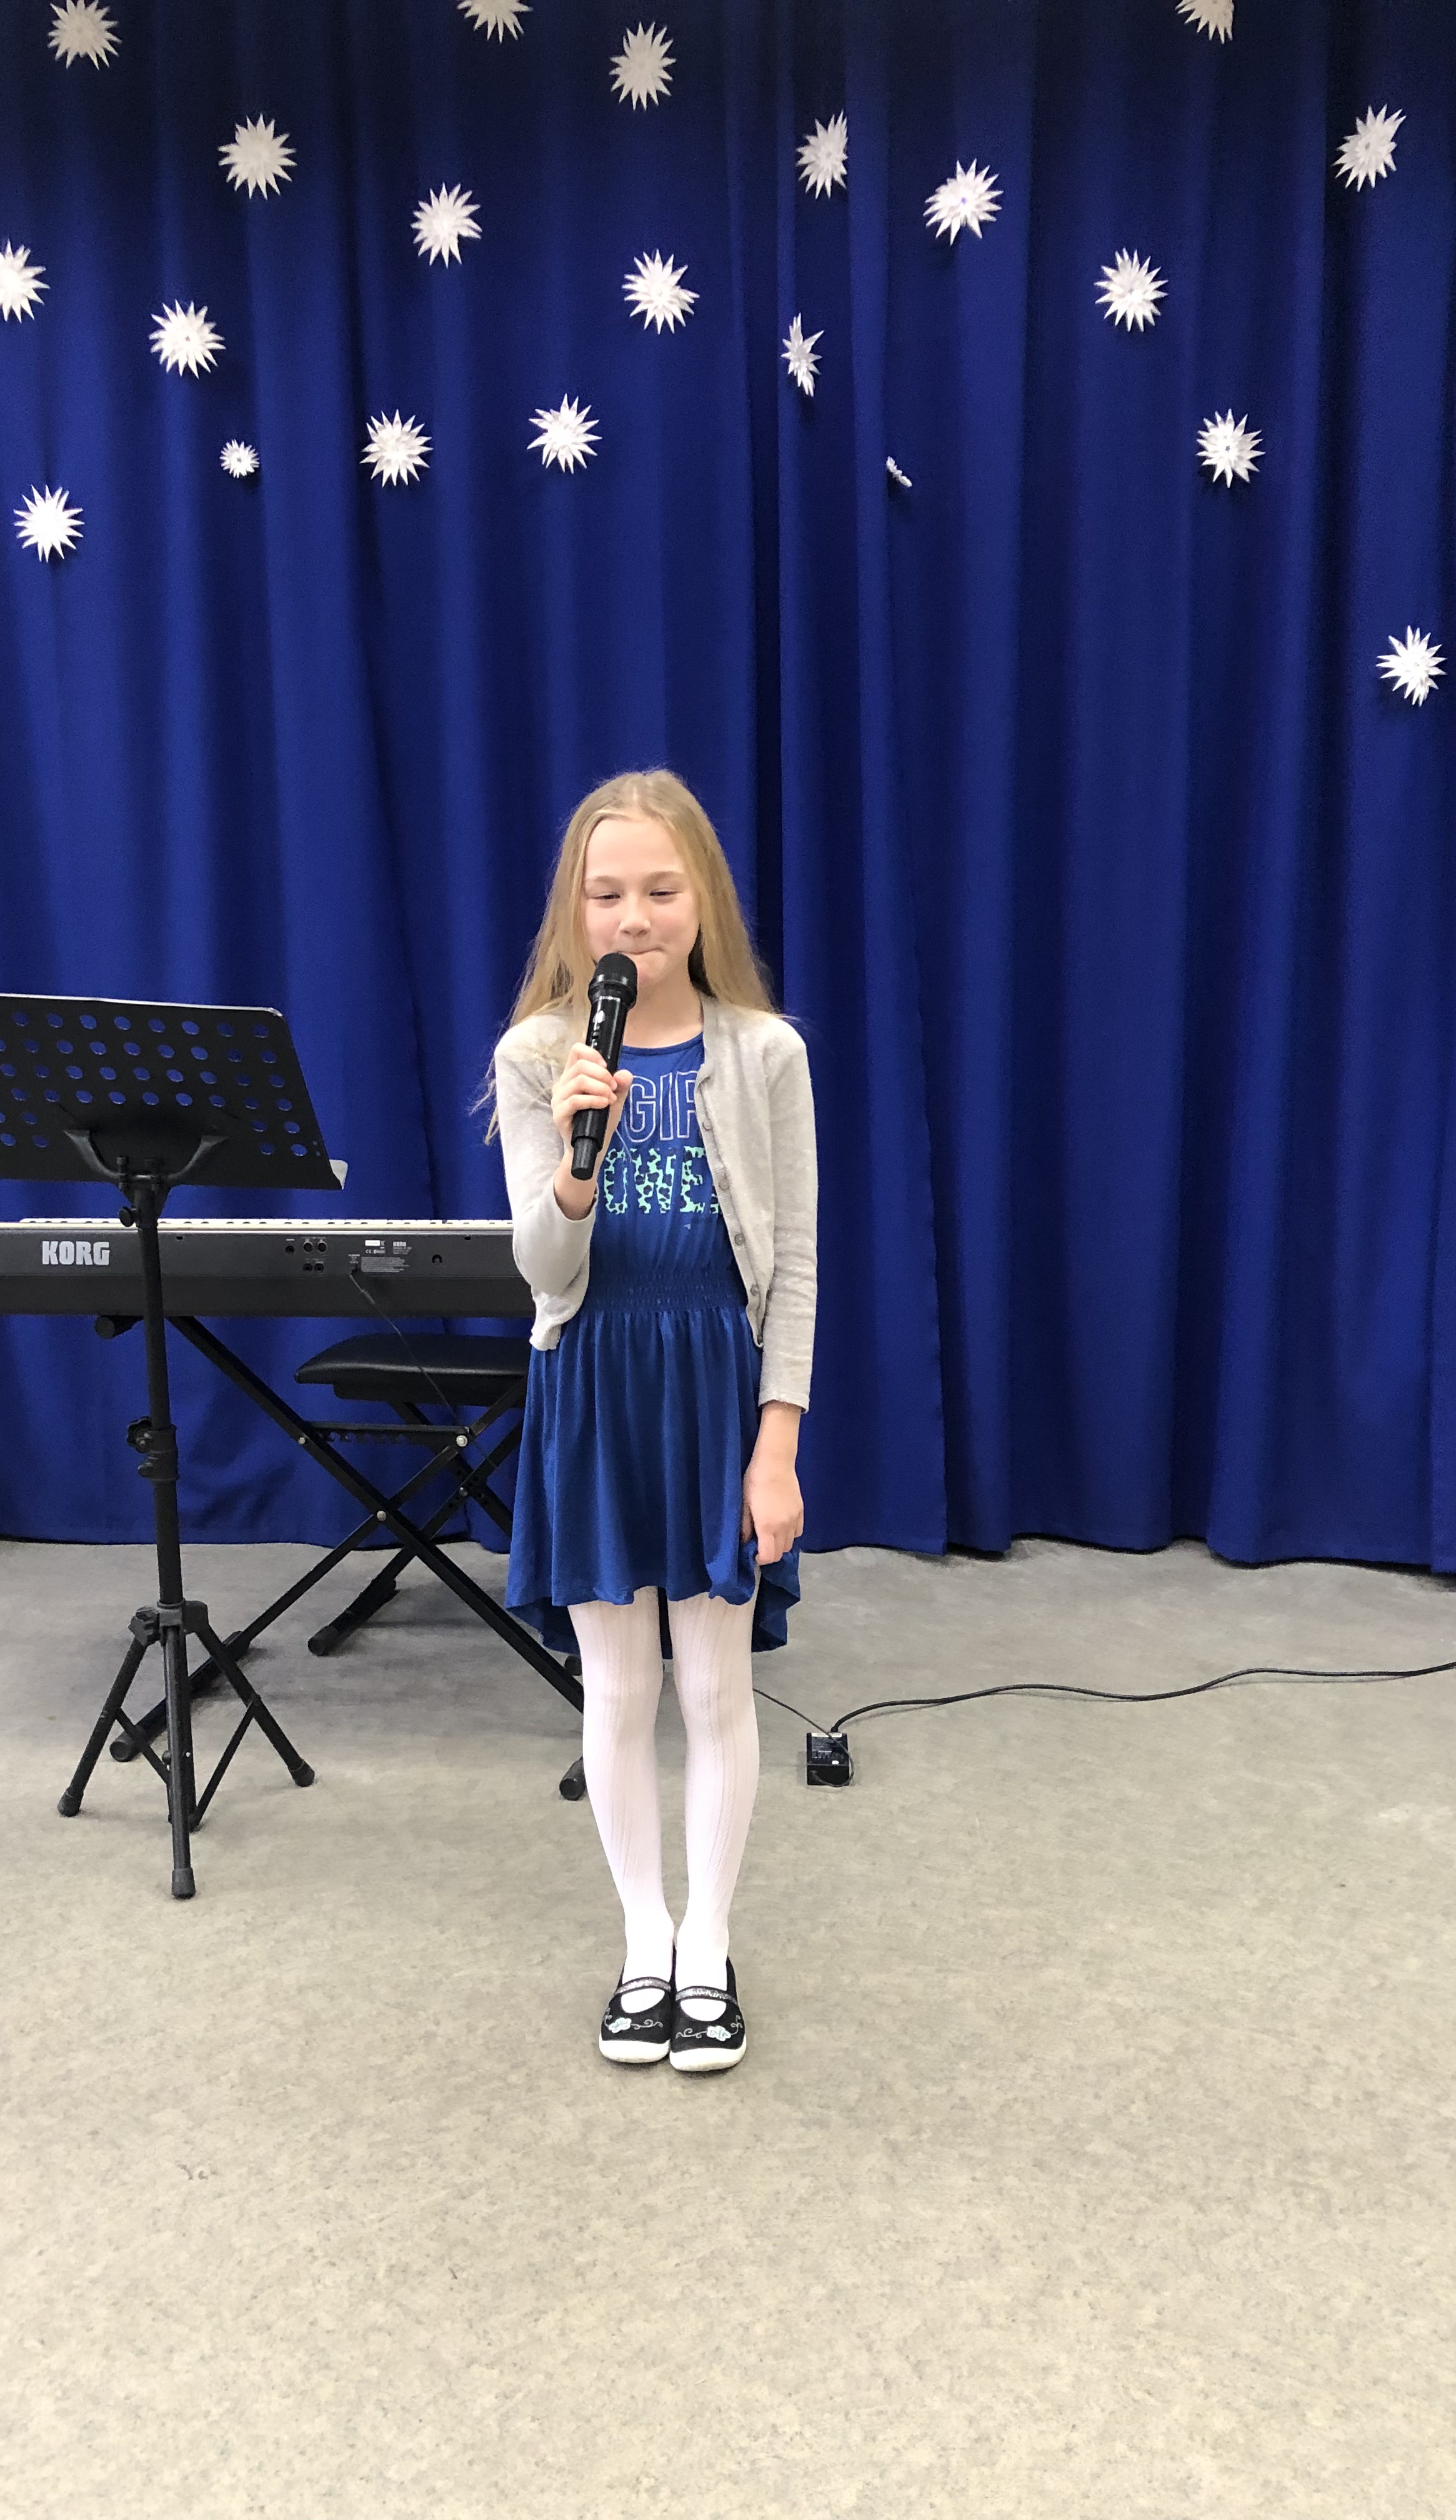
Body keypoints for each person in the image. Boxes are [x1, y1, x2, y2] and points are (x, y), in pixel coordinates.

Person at [482, 769, 817, 2074]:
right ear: (575, 910)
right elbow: (543, 1271)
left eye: (662, 890)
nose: (634, 917)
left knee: (715, 1685)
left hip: (715, 1391)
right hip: (595, 1386)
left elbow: (795, 1267)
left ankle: (708, 1945)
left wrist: (776, 1446)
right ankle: (644, 1940)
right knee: (618, 1688)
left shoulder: (766, 1053)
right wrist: (577, 1161)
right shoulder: (536, 1057)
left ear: (703, 899)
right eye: (608, 892)